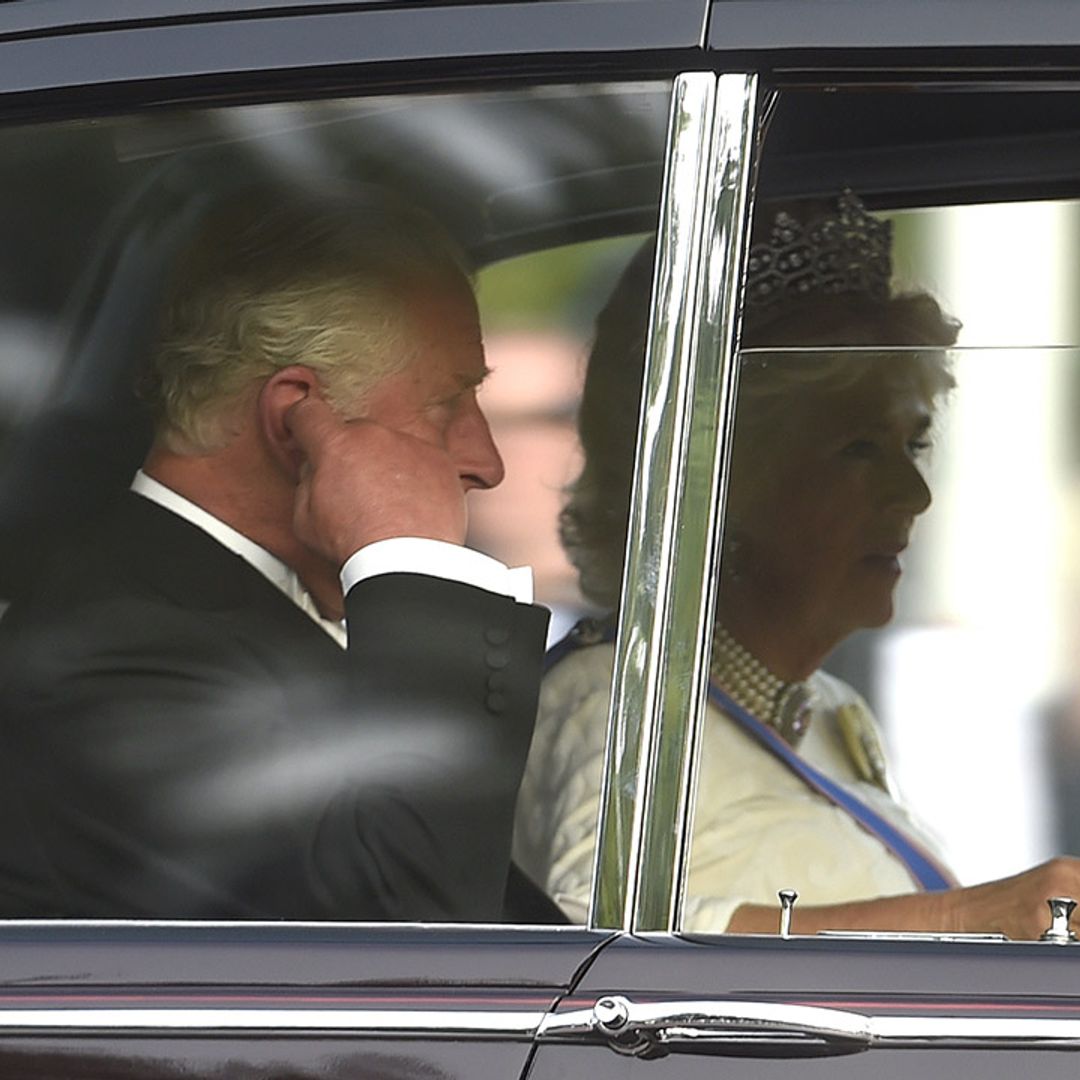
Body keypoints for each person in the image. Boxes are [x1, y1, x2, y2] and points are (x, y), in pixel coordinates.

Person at [515, 192, 1080, 939]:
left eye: (912, 445)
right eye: (858, 449)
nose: (913, 494)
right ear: (727, 482)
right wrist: (966, 915)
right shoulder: (624, 700)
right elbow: (593, 945)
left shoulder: (830, 710)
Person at [0, 188, 557, 922]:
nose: (487, 463)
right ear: (297, 419)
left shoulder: (198, 620)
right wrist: (408, 560)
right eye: (449, 403)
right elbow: (416, 950)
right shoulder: (104, 668)